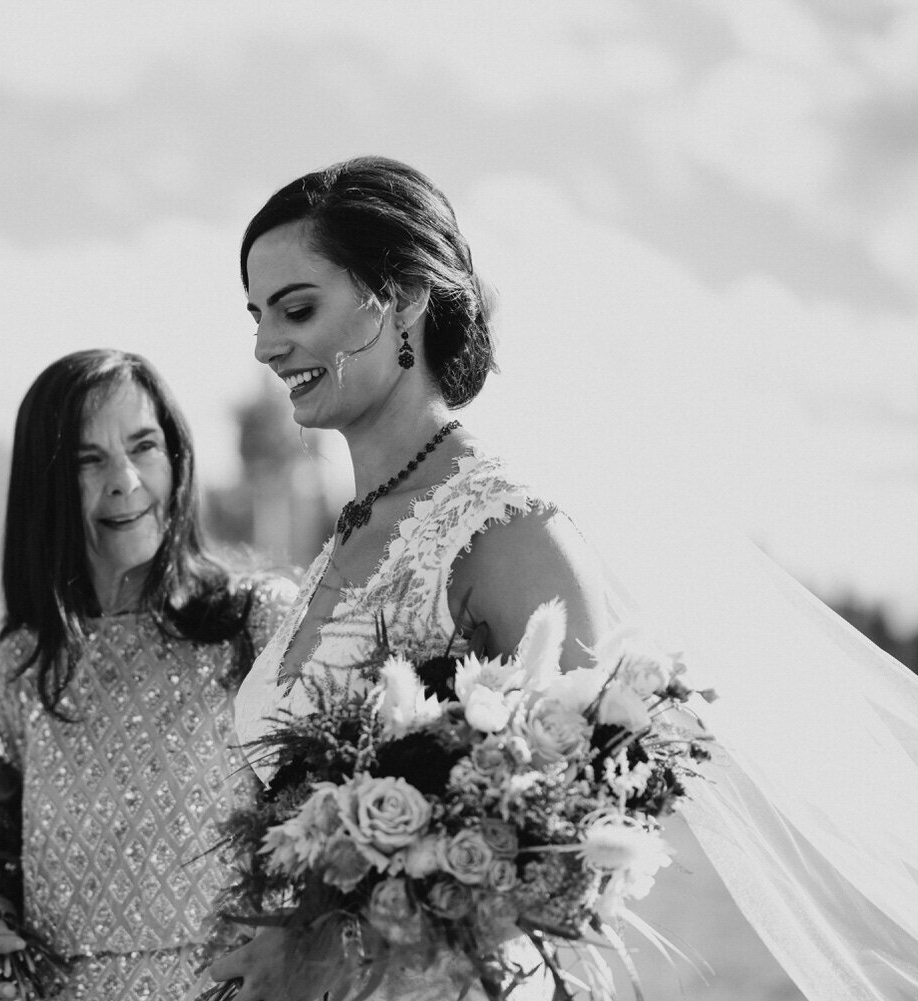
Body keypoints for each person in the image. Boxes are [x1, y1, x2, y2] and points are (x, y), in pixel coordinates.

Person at [209, 156, 918, 1001]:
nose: (264, 344)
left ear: (401, 299)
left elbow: (582, 846)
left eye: (296, 308)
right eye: (255, 315)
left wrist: (322, 951)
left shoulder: (506, 532)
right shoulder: (344, 540)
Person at [0, 349, 297, 1001]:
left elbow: (326, 843)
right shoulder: (25, 660)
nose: (124, 480)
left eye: (143, 446)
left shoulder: (253, 623)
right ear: (46, 485)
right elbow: (18, 866)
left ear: (177, 459)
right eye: (86, 460)